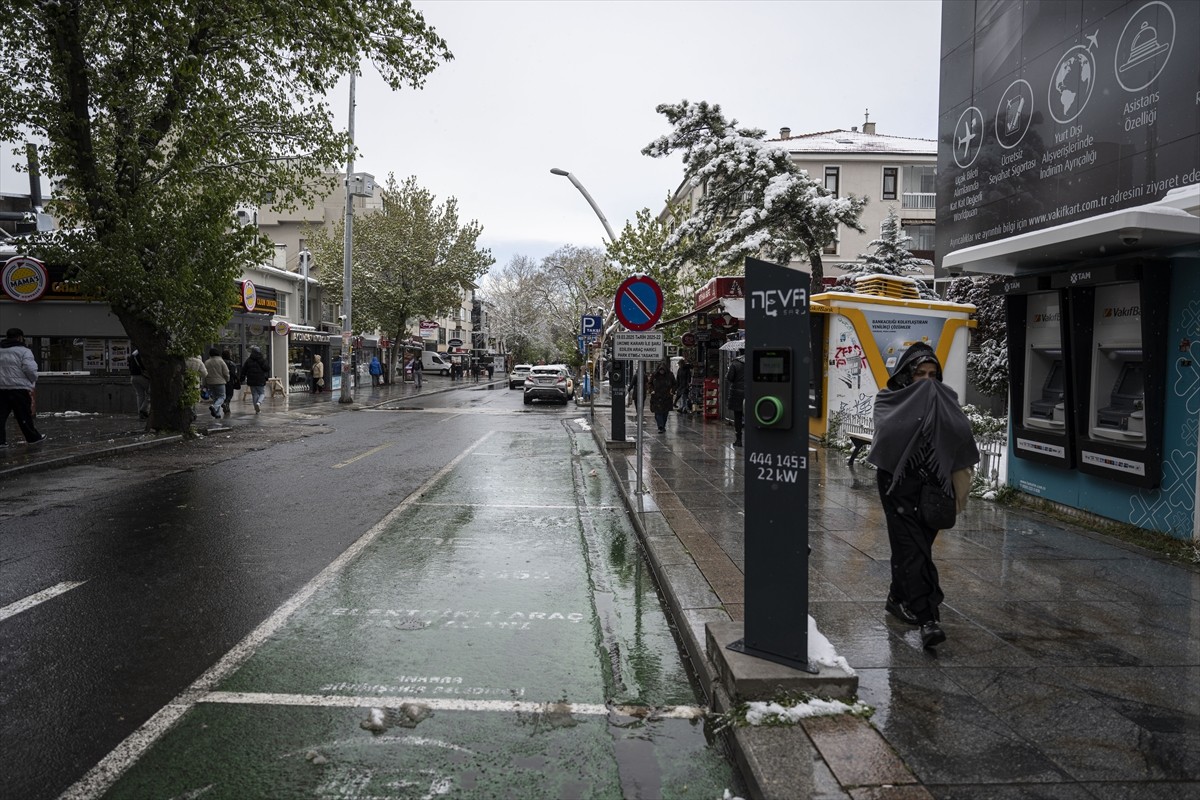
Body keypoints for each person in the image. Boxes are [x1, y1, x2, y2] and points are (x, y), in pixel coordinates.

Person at [867, 343, 979, 650]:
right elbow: (888, 434)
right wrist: (919, 413)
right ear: (906, 375)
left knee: (915, 549)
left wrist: (939, 418)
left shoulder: (946, 399)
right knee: (913, 549)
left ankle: (896, 597)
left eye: (932, 375)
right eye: (920, 374)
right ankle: (927, 618)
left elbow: (962, 434)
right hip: (898, 484)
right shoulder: (889, 399)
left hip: (935, 485)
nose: (927, 381)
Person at [0, 328, 47, 446]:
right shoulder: (24, 351)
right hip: (19, 389)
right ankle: (33, 438)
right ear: (20, 337)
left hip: (2, 388)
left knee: (1, 416)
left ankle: (1, 441)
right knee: (23, 415)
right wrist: (33, 380)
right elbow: (30, 369)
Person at [649, 362, 677, 433]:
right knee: (658, 412)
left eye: (663, 370)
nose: (662, 372)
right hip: (657, 396)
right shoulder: (655, 375)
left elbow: (674, 384)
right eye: (660, 370)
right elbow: (650, 383)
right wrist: (652, 390)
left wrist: (672, 391)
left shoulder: (670, 375)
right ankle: (660, 426)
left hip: (666, 397)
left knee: (665, 413)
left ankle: (662, 426)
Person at [725, 352, 746, 446]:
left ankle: (739, 439)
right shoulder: (753, 361)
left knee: (738, 416)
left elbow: (730, 377)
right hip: (750, 392)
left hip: (737, 393)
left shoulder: (735, 363)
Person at [241, 345, 270, 413]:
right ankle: (259, 403)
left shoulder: (249, 360)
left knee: (254, 394)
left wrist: (242, 377)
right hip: (260, 379)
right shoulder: (261, 360)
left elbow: (244, 369)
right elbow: (267, 368)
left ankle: (256, 410)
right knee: (262, 393)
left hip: (251, 380)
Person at [203, 348, 230, 418]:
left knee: (215, 398)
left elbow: (204, 373)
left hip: (210, 382)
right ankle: (214, 407)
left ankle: (217, 414)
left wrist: (204, 383)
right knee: (222, 397)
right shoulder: (221, 361)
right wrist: (227, 379)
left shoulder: (207, 362)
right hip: (220, 382)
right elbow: (226, 372)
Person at [129, 348, 151, 419]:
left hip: (133, 377)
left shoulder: (133, 354)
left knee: (140, 395)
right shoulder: (142, 353)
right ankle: (143, 410)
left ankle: (140, 414)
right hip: (142, 376)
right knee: (150, 393)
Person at [186, 353, 208, 422]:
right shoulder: (198, 361)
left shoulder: (184, 360)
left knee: (186, 398)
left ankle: (188, 413)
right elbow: (205, 373)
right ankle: (193, 413)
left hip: (185, 382)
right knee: (194, 400)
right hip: (195, 383)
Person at [222, 348, 239, 413]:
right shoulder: (231, 363)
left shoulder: (221, 362)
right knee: (229, 394)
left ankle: (227, 407)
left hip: (221, 380)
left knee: (223, 394)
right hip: (229, 381)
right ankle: (226, 403)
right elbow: (234, 373)